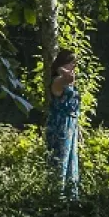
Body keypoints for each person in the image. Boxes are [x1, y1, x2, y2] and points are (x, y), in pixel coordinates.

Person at [45, 49, 80, 194]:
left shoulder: (68, 81)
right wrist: (62, 70)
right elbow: (61, 79)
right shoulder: (57, 81)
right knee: (60, 162)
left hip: (71, 125)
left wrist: (78, 129)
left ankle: (71, 199)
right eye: (72, 63)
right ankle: (57, 198)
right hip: (60, 126)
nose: (74, 67)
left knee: (72, 162)